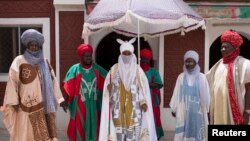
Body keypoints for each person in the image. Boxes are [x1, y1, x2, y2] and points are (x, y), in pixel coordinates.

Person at [1, 29, 67, 141]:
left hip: (43, 106)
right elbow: (12, 81)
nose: (34, 47)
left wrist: (60, 99)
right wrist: (13, 101)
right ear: (27, 46)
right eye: (32, 45)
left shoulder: (44, 62)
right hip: (24, 106)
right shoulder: (19, 60)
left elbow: (53, 81)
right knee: (24, 135)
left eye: (36, 45)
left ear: (39, 47)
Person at [99, 38, 157, 141]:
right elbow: (108, 92)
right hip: (118, 109)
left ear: (132, 54)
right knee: (118, 135)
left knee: (134, 135)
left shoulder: (138, 70)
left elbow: (143, 89)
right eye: (124, 53)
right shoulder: (114, 70)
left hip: (135, 108)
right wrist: (109, 89)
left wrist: (143, 102)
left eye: (128, 53)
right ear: (120, 54)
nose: (126, 56)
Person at [63, 43, 107, 141]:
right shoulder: (75, 69)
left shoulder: (97, 69)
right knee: (80, 127)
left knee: (95, 126)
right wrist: (65, 101)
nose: (88, 58)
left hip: (94, 104)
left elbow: (108, 78)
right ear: (81, 56)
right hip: (80, 105)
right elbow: (68, 85)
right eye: (86, 56)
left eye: (89, 56)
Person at [206, 29, 250, 125]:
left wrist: (247, 111)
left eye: (227, 47)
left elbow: (249, 89)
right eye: (222, 47)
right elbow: (208, 85)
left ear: (235, 48)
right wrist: (209, 109)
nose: (223, 50)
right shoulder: (218, 65)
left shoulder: (245, 64)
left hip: (237, 111)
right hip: (218, 110)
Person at [169, 50, 210, 141]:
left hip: (198, 111)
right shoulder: (181, 77)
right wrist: (174, 108)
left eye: (191, 61)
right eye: (187, 61)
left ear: (196, 62)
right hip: (183, 110)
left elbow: (206, 95)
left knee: (197, 132)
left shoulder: (202, 77)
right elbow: (176, 92)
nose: (188, 63)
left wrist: (207, 109)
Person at [140, 48, 164, 140]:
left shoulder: (154, 71)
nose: (145, 60)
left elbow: (158, 84)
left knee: (154, 118)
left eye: (147, 58)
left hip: (152, 100)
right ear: (140, 58)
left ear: (150, 59)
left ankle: (155, 136)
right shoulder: (137, 70)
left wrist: (146, 84)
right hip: (139, 100)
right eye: (143, 58)